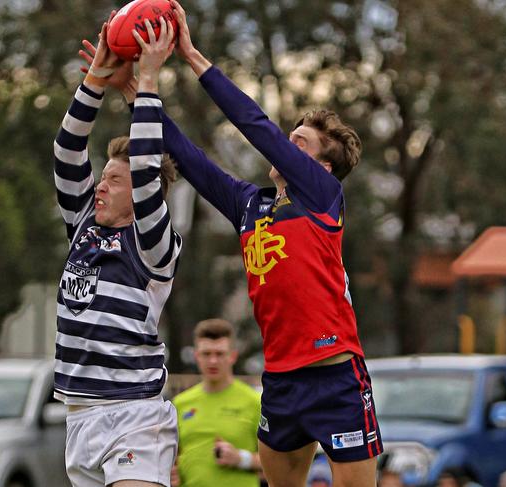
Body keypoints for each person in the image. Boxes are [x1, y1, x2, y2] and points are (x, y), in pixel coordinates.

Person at [79, 2, 384, 486]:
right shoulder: (250, 206)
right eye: (293, 136)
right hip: (282, 379)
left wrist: (192, 56)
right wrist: (136, 93)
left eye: (299, 143)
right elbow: (190, 160)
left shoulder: (324, 197)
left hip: (335, 375)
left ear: (322, 167)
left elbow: (254, 125)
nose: (287, 143)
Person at [53, 15, 181, 487]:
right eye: (103, 176)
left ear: (141, 197)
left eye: (113, 180)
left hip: (134, 416)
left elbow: (148, 171)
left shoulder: (153, 246)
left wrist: (147, 80)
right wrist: (94, 81)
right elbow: (67, 152)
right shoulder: (83, 224)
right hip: (78, 416)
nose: (100, 187)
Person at [171, 318, 262, 487]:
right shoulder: (180, 403)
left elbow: (279, 462)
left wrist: (242, 459)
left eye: (219, 354)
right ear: (197, 356)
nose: (213, 361)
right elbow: (172, 460)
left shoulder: (255, 401)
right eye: (206, 354)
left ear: (232, 356)